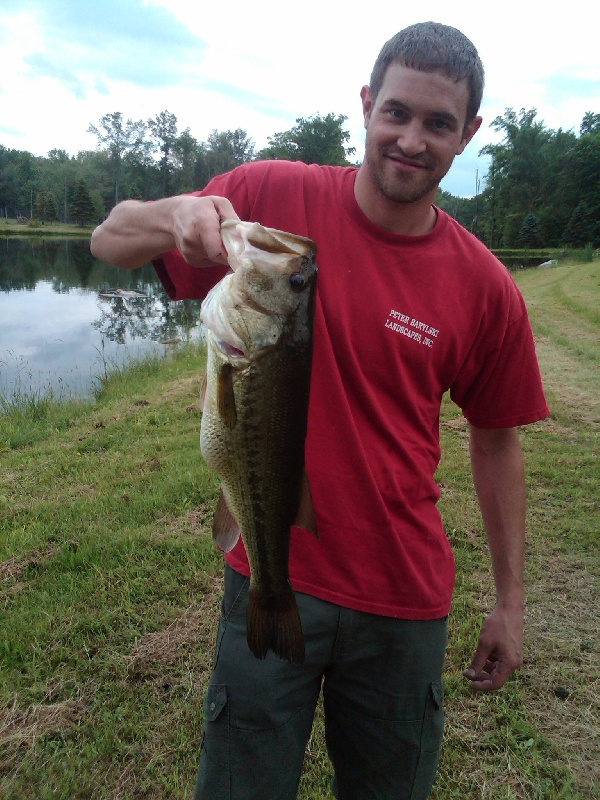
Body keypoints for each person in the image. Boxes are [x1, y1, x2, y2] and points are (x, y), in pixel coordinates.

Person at [91, 21, 549, 800]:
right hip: (273, 572)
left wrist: (510, 602)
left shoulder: (485, 287)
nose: (411, 139)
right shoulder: (272, 200)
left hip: (403, 600)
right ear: (368, 105)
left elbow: (498, 442)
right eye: (397, 112)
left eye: (439, 124)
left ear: (467, 134)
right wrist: (177, 216)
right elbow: (108, 239)